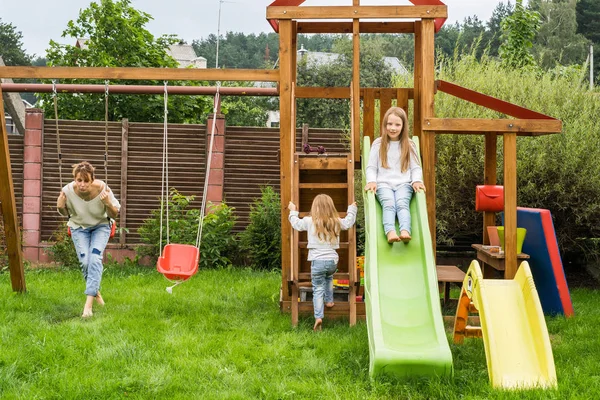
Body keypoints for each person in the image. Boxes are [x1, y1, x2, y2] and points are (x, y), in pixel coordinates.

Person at [56, 161, 120, 318]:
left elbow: (114, 214)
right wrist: (60, 206)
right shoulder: (67, 190)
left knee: (95, 258)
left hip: (101, 227)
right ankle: (96, 292)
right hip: (79, 228)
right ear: (74, 179)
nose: (82, 185)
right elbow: (65, 213)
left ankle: (88, 306)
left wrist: (107, 203)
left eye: (86, 181)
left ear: (92, 180)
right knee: (85, 261)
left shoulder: (103, 189)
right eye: (79, 180)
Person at [288, 194, 357, 331]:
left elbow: (296, 224)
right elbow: (349, 222)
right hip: (332, 262)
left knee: (318, 288)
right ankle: (330, 301)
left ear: (315, 208)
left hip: (317, 261)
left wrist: (293, 210)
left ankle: (318, 317)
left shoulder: (309, 221)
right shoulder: (335, 221)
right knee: (329, 277)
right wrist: (352, 208)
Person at [364, 106, 425, 244]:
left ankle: (405, 231)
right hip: (383, 184)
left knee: (402, 204)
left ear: (403, 126)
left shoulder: (409, 145)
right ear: (385, 125)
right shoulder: (378, 144)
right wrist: (372, 181)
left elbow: (416, 167)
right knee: (389, 204)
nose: (393, 128)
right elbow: (371, 167)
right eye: (389, 124)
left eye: (397, 124)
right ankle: (390, 232)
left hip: (404, 184)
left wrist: (416, 181)